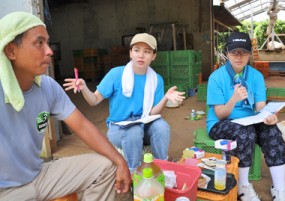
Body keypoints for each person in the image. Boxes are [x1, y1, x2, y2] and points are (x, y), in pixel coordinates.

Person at [0, 11, 131, 201]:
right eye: (39, 43)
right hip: (5, 191)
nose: (50, 50)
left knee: (104, 167)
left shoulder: (48, 87)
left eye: (47, 42)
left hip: (39, 176)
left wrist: (120, 161)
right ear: (11, 51)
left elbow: (83, 126)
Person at [64, 33, 185, 173]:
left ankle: (162, 167)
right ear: (130, 53)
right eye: (137, 50)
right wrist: (84, 88)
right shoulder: (116, 74)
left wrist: (165, 98)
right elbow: (94, 100)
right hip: (119, 127)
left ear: (153, 56)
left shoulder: (156, 79)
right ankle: (132, 173)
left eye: (147, 52)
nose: (141, 55)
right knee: (134, 131)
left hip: (144, 124)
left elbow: (152, 113)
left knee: (162, 126)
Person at [206, 32, 285, 201]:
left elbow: (260, 107)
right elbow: (220, 114)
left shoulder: (255, 76)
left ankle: (280, 188)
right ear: (227, 52)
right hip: (221, 122)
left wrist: (268, 116)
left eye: (243, 52)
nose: (239, 57)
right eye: (234, 52)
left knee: (272, 131)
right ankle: (243, 186)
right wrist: (234, 99)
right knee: (245, 133)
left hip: (249, 120)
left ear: (249, 54)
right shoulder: (216, 77)